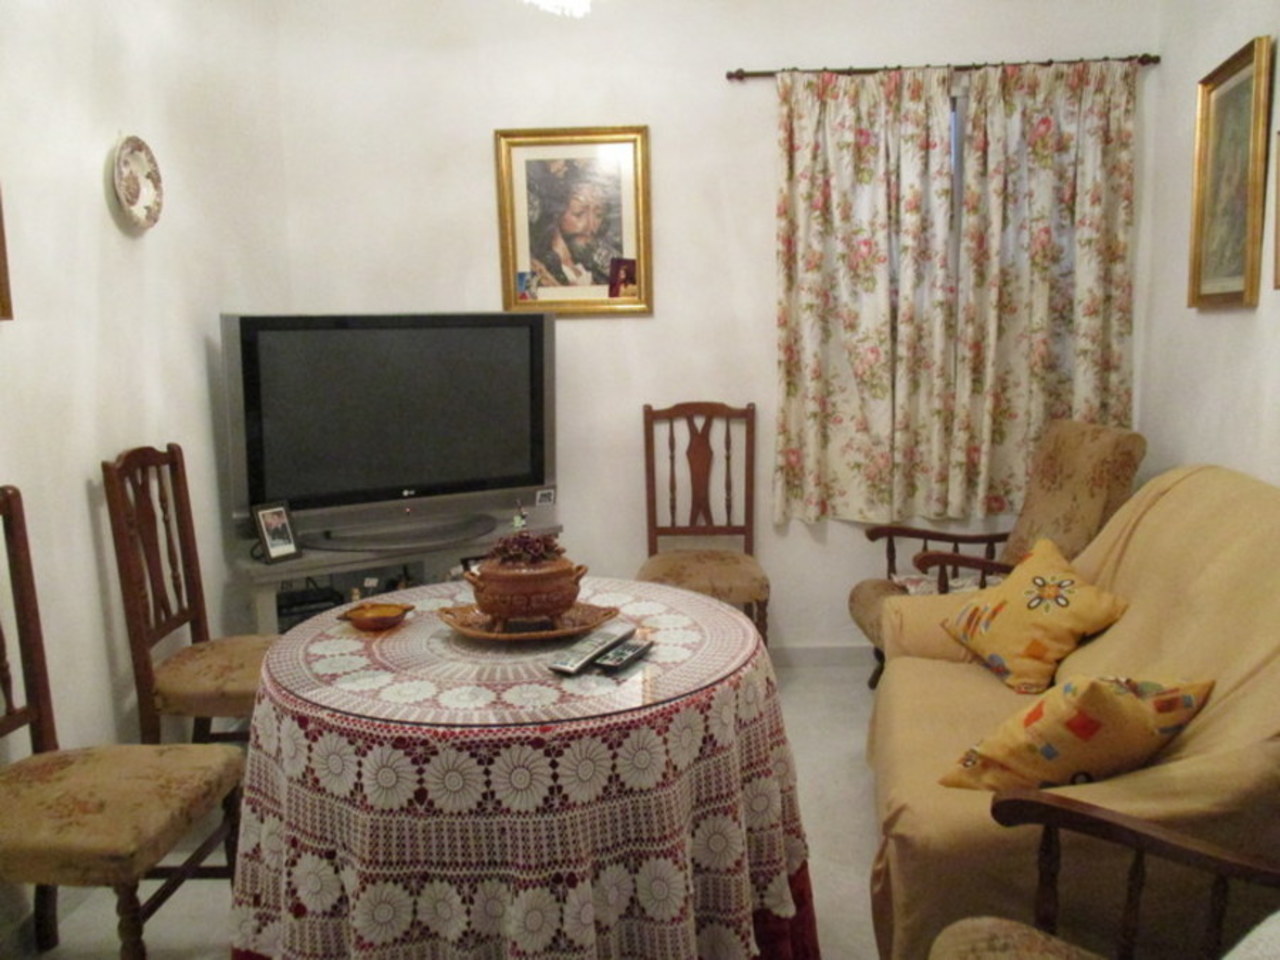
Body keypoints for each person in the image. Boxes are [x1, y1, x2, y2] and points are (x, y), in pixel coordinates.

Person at [527, 159, 622, 288]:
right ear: (557, 213)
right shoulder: (533, 265)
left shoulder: (607, 259)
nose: (591, 226)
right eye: (578, 213)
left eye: (599, 215)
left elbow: (630, 293)